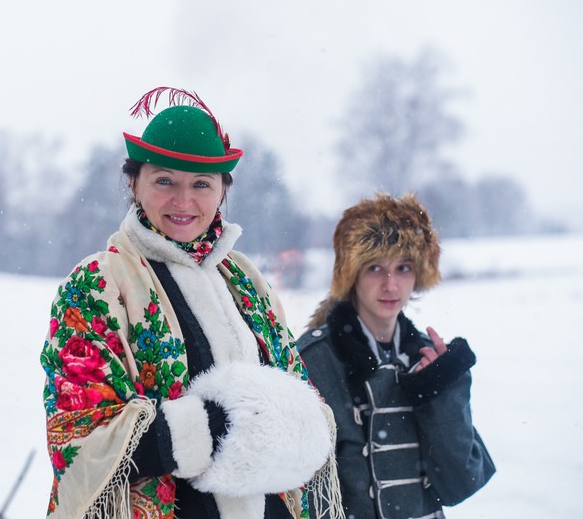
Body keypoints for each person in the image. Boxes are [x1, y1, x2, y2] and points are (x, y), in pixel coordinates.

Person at [39, 87, 343, 519]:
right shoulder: (97, 284)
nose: (183, 202)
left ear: (222, 190)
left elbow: (303, 397)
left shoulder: (244, 280)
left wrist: (287, 423)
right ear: (134, 182)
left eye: (201, 184)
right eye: (165, 181)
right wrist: (208, 426)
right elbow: (78, 434)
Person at [295, 193, 495, 519]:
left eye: (403, 267)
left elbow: (462, 483)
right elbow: (297, 492)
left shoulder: (431, 357)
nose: (391, 285)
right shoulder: (313, 360)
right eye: (375, 268)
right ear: (352, 274)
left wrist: (439, 389)